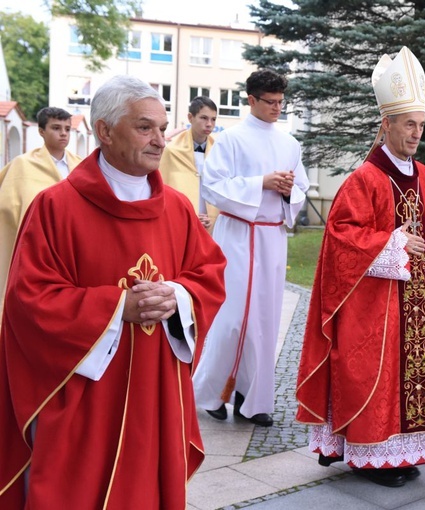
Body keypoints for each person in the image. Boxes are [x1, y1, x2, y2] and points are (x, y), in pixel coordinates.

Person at [0, 75, 227, 508]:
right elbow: (28, 300)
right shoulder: (56, 207)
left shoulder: (177, 208)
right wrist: (117, 306)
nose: (161, 140)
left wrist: (178, 296)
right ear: (104, 131)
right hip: (87, 393)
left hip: (157, 384)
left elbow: (209, 273)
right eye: (145, 128)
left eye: (162, 128)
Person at [295, 46, 425, 488]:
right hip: (373, 303)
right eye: (408, 125)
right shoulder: (365, 179)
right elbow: (341, 239)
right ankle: (369, 454)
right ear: (386, 124)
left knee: (408, 376)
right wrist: (392, 242)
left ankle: (401, 450)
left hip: (414, 304)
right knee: (373, 373)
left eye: (420, 125)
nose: (415, 134)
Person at [193, 69, 309, 427]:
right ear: (251, 100)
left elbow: (301, 188)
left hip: (272, 239)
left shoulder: (289, 143)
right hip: (238, 235)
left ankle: (253, 399)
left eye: (280, 102)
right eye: (270, 102)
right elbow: (212, 186)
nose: (277, 108)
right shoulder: (230, 140)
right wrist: (261, 182)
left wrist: (289, 190)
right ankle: (212, 393)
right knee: (232, 320)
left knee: (264, 321)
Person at [0, 107, 81, 317]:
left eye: (67, 129)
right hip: (35, 240)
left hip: (72, 243)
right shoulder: (22, 165)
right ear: (41, 131)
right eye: (56, 128)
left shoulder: (81, 166)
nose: (63, 133)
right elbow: (9, 206)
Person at [159, 95, 219, 231]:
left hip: (212, 223)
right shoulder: (172, 151)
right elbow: (164, 187)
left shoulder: (219, 151)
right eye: (204, 118)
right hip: (180, 221)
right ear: (190, 117)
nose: (209, 124)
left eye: (213, 119)